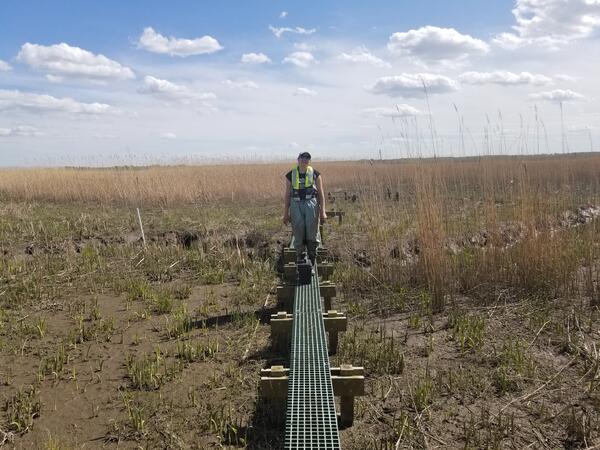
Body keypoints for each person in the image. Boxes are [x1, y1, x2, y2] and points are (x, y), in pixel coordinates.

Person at [283, 152, 327, 266]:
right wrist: (285, 214)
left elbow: (321, 194)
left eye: (307, 158)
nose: (305, 160)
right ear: (298, 159)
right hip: (295, 204)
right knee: (298, 231)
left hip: (311, 204)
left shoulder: (316, 174)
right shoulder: (290, 175)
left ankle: (312, 259)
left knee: (312, 231)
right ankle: (300, 258)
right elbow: (287, 195)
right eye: (302, 157)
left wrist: (323, 212)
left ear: (309, 161)